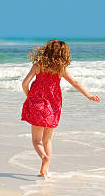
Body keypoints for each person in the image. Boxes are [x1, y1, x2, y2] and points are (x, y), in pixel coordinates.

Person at [21, 39, 100, 177]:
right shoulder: (61, 69)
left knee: (36, 140)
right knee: (48, 140)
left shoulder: (37, 66)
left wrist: (30, 96)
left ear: (46, 51)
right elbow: (75, 82)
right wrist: (89, 95)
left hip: (37, 105)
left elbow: (24, 83)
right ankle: (46, 168)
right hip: (53, 106)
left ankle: (43, 157)